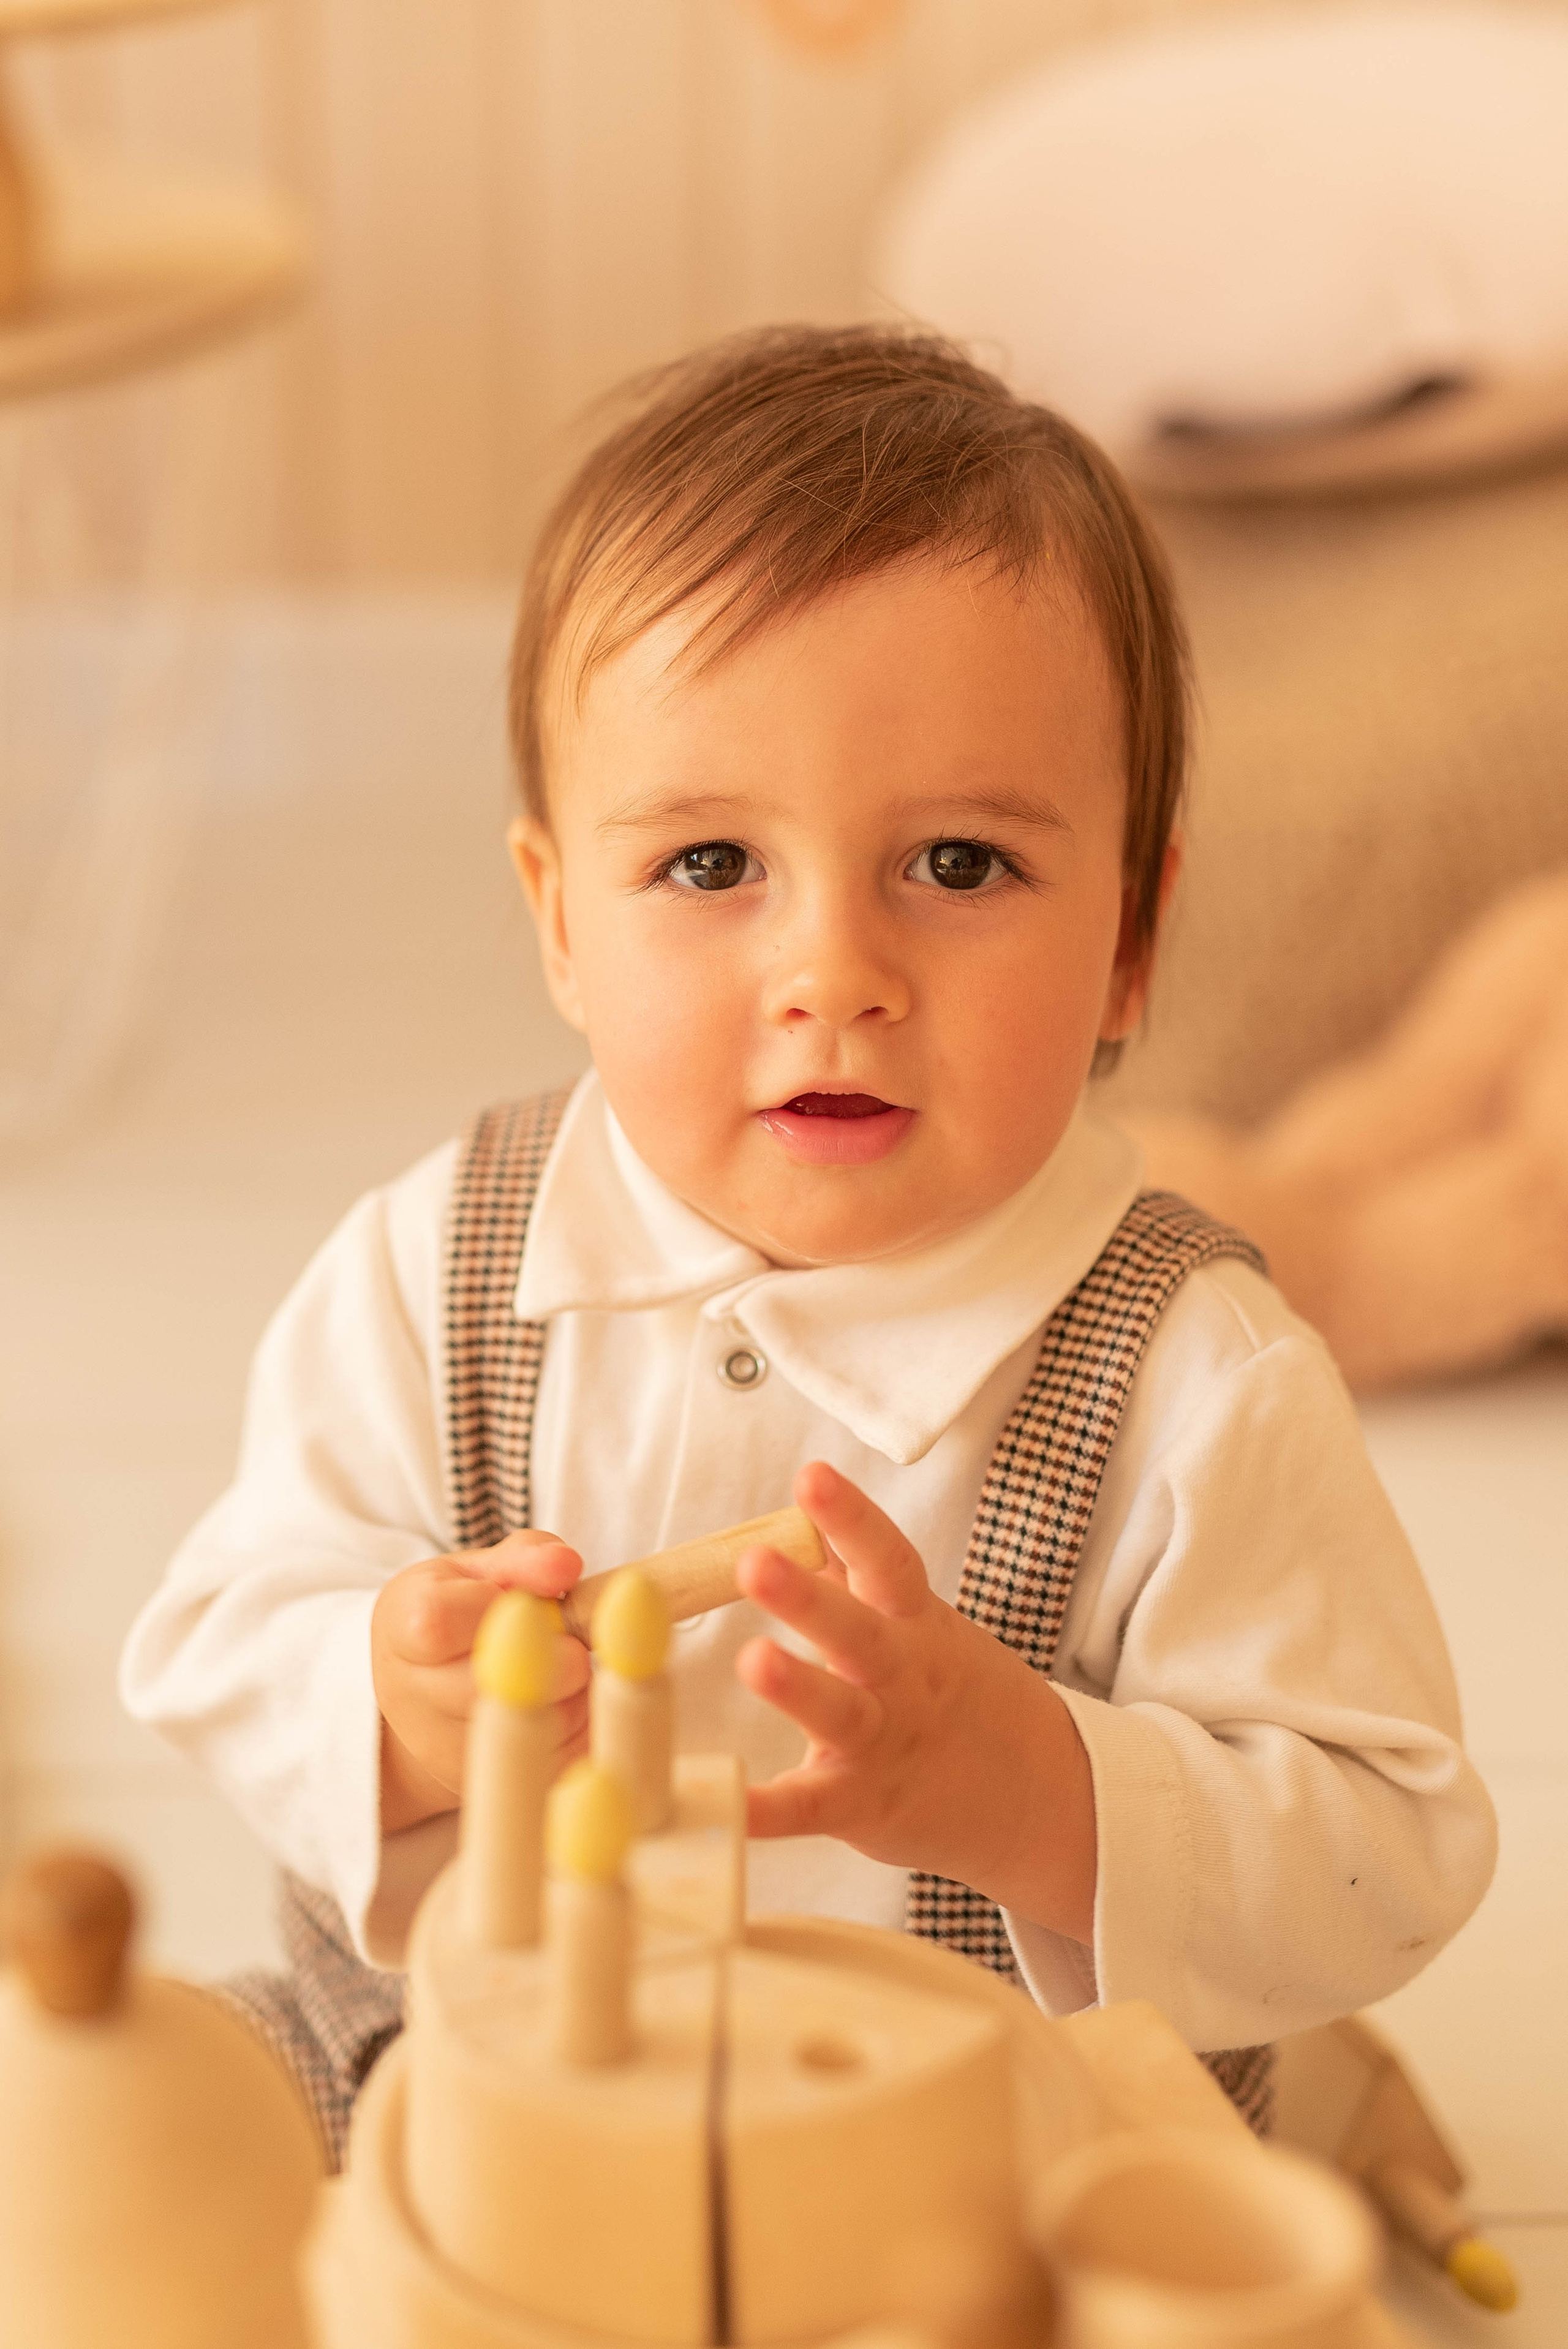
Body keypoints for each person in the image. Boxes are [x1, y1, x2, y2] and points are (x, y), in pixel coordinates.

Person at [121, 325, 1494, 2160]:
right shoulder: (434, 1264)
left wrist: (1035, 1787)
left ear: (1134, 937)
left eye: (959, 865)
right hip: (469, 2074)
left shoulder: (1191, 1378)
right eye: (709, 867)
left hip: (987, 2144)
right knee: (151, 2149)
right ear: (557, 917)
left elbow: (1387, 1847)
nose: (832, 975)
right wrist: (387, 1692)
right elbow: (216, 1630)